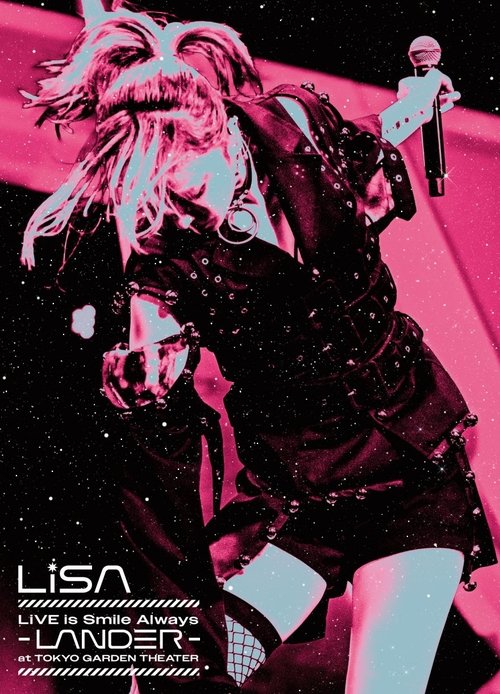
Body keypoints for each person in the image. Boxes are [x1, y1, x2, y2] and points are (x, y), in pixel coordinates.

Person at [20, 2, 496, 692]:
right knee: (188, 674)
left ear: (224, 134)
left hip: (412, 473)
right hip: (300, 508)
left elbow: (366, 136)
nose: (192, 216)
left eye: (196, 190)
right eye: (167, 200)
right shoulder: (163, 271)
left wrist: (418, 102)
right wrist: (140, 396)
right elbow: (156, 477)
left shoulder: (293, 122)